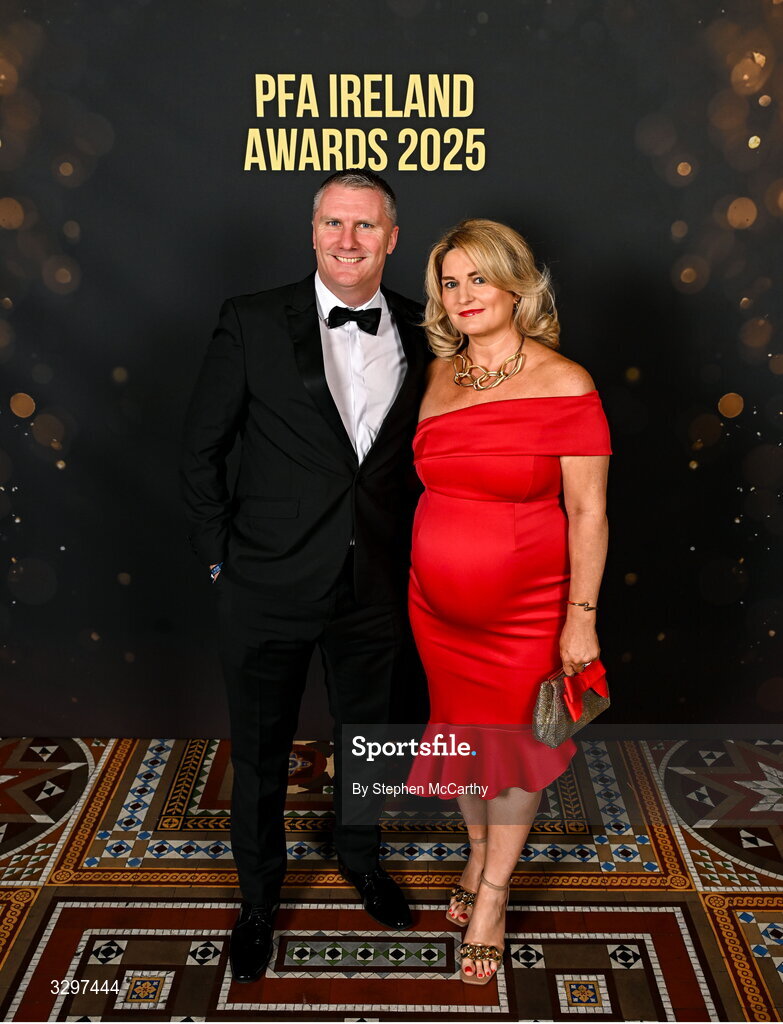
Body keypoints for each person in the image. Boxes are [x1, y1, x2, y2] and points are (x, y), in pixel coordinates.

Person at [180, 170, 428, 983]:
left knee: (371, 739)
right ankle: (258, 899)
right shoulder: (251, 321)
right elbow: (201, 451)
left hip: (376, 587)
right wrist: (224, 558)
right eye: (332, 223)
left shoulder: (430, 333)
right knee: (259, 752)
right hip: (265, 585)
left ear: (392, 238)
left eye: (364, 226)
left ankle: (359, 856)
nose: (346, 240)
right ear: (312, 231)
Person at [406, 219, 611, 985]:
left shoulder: (566, 382)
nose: (462, 295)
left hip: (526, 610)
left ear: (516, 284)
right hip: (433, 605)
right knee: (461, 742)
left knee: (517, 755)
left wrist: (579, 618)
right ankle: (477, 852)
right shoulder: (435, 375)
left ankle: (492, 893)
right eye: (449, 283)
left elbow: (588, 511)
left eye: (476, 279)